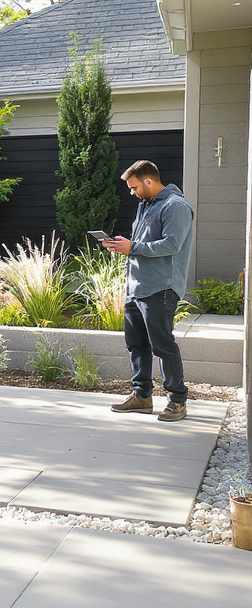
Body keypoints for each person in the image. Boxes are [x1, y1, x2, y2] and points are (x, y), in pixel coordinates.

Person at [103, 160, 194, 422]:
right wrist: (123, 246)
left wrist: (133, 248)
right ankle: (142, 397)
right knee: (136, 344)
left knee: (163, 345)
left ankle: (177, 401)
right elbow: (141, 244)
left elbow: (172, 245)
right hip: (135, 285)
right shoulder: (146, 205)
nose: (132, 193)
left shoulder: (175, 206)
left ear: (148, 181)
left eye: (133, 187)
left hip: (160, 287)